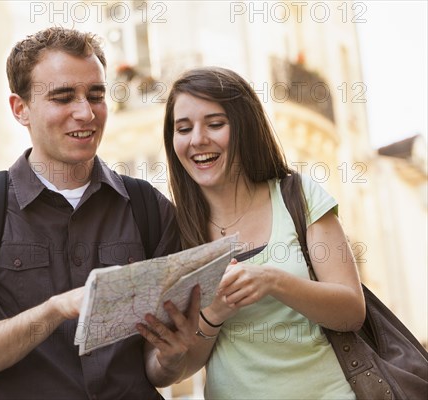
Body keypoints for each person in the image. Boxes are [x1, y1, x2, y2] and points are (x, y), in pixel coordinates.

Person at [0, 27, 182, 399]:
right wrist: (55, 310)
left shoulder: (149, 208)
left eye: (96, 95)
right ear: (20, 109)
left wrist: (176, 354)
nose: (86, 112)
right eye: (62, 98)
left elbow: (161, 366)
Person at [137, 67, 366, 399]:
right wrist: (214, 313)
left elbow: (351, 312)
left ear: (245, 127)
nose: (197, 139)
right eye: (183, 129)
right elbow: (181, 368)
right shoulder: (177, 228)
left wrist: (272, 280)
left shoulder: (297, 197)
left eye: (215, 124)